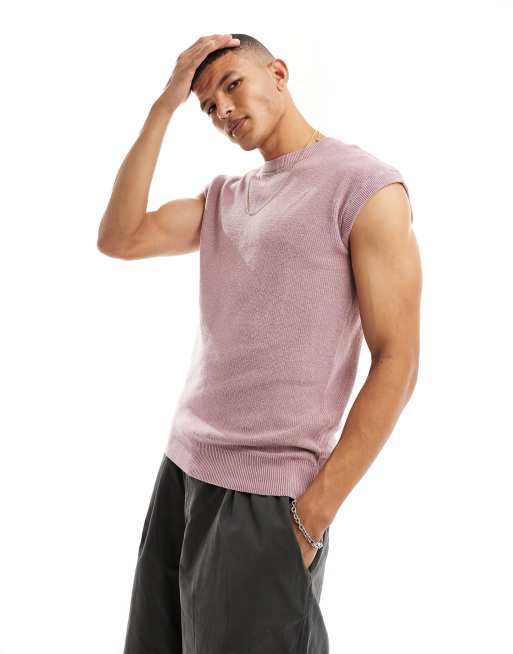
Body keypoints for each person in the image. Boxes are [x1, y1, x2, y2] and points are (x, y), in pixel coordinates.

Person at [97, 33, 422, 654]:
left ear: (278, 72)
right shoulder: (226, 197)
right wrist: (165, 105)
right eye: (207, 106)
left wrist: (313, 515)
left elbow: (398, 361)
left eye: (232, 85)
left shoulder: (365, 187)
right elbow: (120, 236)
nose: (222, 109)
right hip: (182, 473)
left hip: (268, 496)